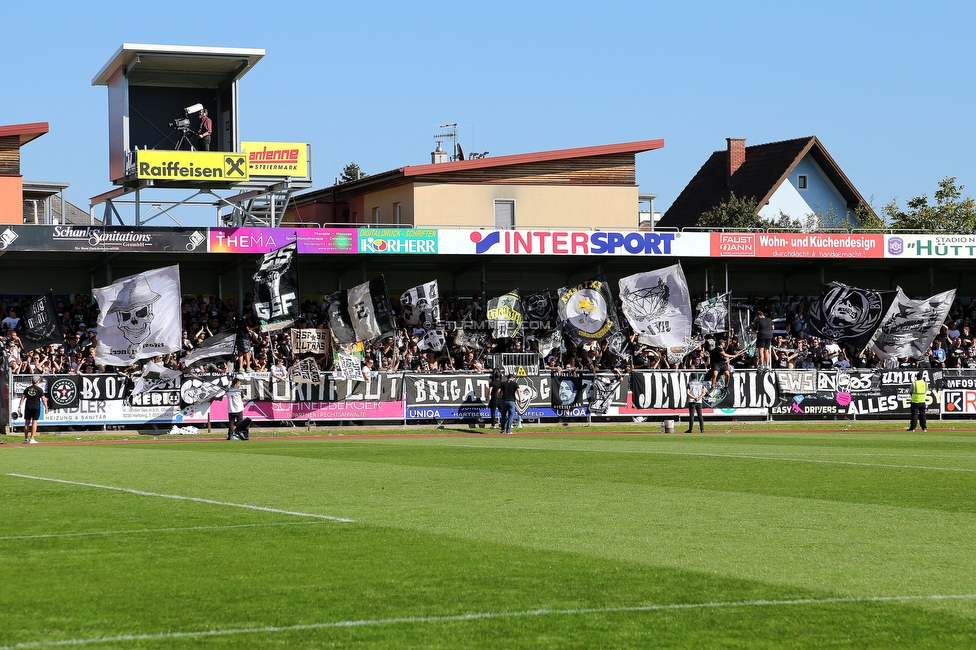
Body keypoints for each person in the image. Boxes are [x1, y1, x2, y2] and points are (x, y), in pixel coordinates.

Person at [19, 375, 47, 444]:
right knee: (34, 422)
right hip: (36, 407)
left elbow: (22, 398)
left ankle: (26, 439)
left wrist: (19, 406)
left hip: (28, 406)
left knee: (27, 423)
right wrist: (46, 407)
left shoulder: (27, 389)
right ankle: (32, 439)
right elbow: (43, 399)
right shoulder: (39, 390)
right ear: (37, 381)